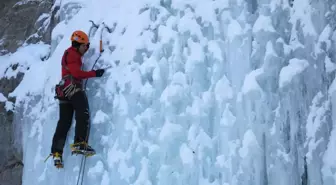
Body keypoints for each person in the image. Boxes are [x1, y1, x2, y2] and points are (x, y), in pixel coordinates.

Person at [50, 30, 105, 168]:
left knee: (64, 122)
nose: (86, 49)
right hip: (72, 87)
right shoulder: (73, 54)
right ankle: (80, 143)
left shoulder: (69, 54)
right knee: (82, 112)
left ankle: (57, 153)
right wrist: (94, 73)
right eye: (85, 46)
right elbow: (76, 73)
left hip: (63, 91)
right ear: (78, 45)